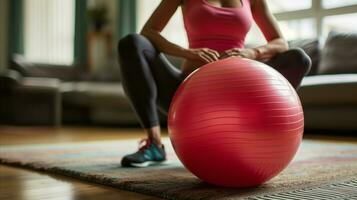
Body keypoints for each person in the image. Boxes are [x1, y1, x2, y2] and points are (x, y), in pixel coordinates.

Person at [118, 0, 311, 167]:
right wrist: (186, 52)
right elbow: (149, 31)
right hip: (185, 96)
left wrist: (253, 53)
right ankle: (154, 144)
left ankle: (260, 134)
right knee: (132, 43)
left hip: (237, 98)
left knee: (299, 59)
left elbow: (280, 42)